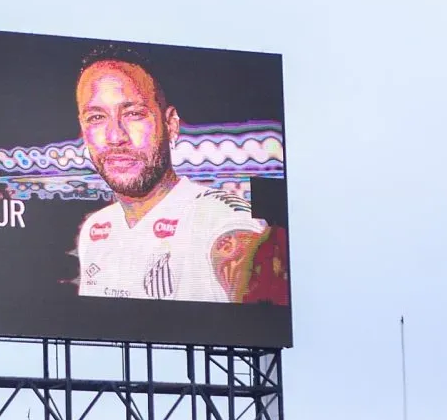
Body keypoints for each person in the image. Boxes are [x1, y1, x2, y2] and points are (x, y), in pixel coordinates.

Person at [73, 44, 287, 304]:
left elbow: (249, 266)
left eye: (133, 114)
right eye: (96, 118)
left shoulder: (216, 216)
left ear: (171, 124)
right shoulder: (95, 229)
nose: (115, 136)